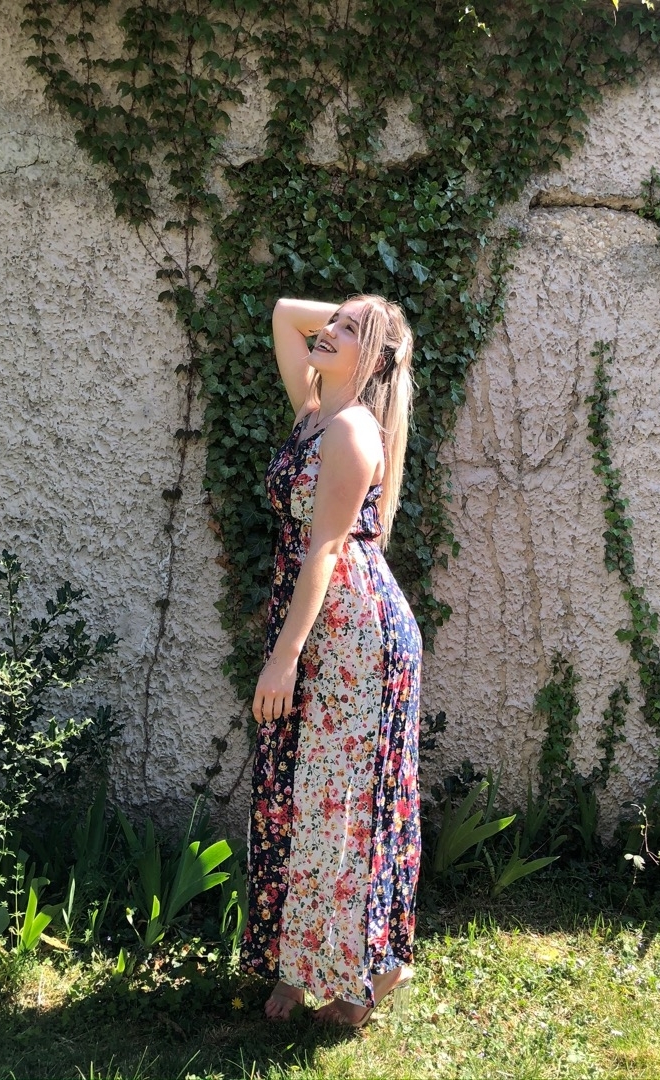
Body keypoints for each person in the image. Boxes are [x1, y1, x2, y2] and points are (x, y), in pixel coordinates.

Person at [239, 294, 422, 1027]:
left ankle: (367, 972)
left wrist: (283, 660)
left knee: (342, 804)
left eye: (348, 330)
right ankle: (298, 963)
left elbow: (326, 549)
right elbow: (286, 313)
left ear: (372, 360)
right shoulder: (315, 410)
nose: (328, 331)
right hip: (318, 623)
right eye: (335, 321)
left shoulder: (350, 429)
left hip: (356, 636)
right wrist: (368, 321)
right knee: (299, 791)